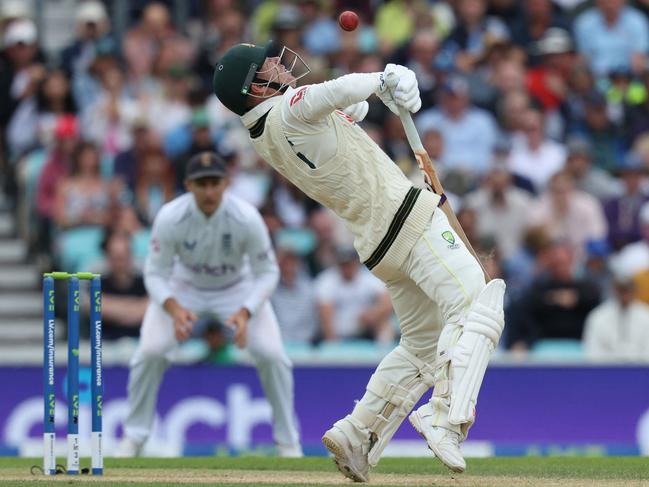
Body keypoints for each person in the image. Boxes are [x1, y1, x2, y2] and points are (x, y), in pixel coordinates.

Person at [213, 42, 506, 480]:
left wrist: (373, 99)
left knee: (422, 348)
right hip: (408, 220)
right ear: (254, 87)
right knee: (479, 304)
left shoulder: (268, 134)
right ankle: (446, 417)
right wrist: (384, 78)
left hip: (378, 245)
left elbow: (342, 113)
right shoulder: (289, 111)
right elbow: (333, 91)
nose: (279, 63)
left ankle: (358, 433)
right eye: (268, 64)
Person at [118, 151, 302, 458]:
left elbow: (267, 272)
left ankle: (288, 442)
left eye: (214, 183)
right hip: (183, 287)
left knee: (273, 356)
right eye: (201, 184)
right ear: (188, 185)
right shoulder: (170, 216)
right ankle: (134, 437)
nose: (208, 191)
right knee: (149, 352)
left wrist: (246, 312)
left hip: (237, 288)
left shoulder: (246, 217)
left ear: (226, 184)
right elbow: (155, 272)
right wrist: (174, 310)